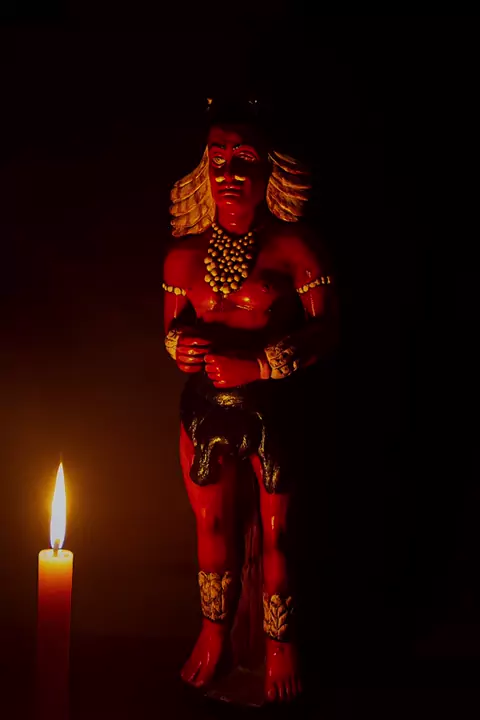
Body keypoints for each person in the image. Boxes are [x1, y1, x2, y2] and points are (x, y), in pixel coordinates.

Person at [163, 97, 338, 703]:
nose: (230, 173)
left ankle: (280, 644)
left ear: (270, 169)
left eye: (244, 159)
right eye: (218, 159)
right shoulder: (183, 254)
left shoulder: (296, 248)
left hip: (273, 412)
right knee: (210, 525)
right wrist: (182, 347)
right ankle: (215, 635)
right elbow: (169, 330)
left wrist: (259, 364)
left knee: (278, 533)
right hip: (205, 409)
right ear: (203, 169)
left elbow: (328, 330)